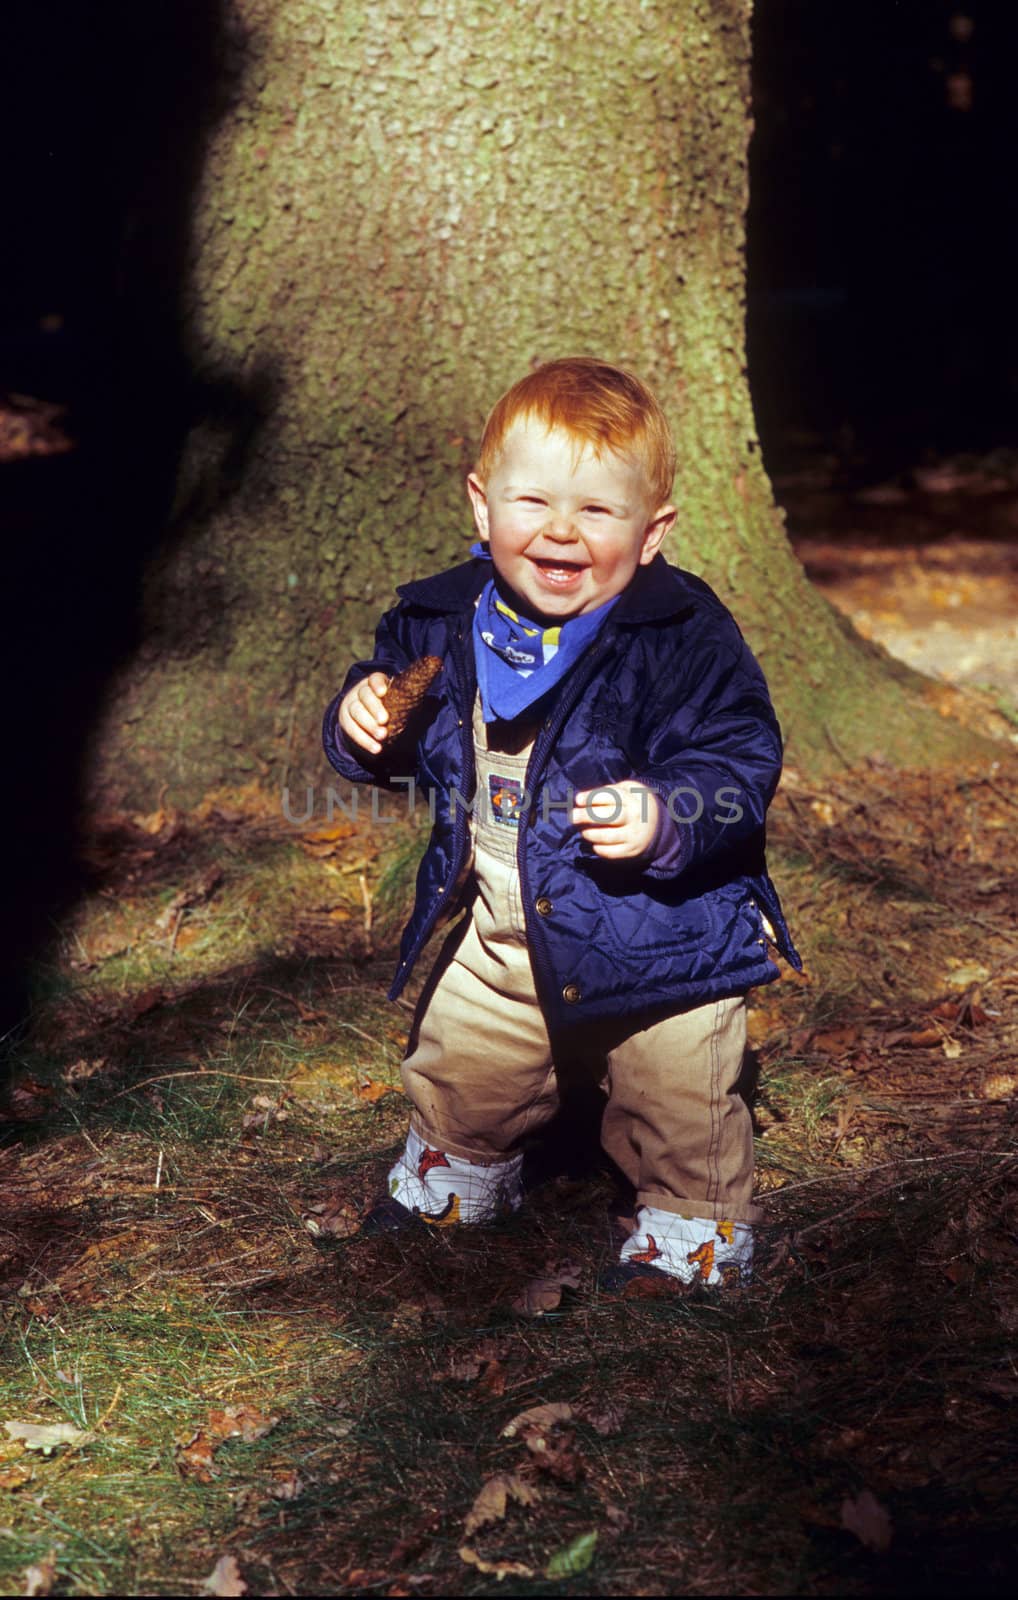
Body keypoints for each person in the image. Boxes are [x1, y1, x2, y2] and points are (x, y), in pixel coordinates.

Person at [322, 357, 800, 1289]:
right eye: (532, 501)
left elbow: (742, 758)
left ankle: (689, 1229)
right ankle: (460, 1169)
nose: (560, 532)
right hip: (505, 912)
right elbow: (397, 723)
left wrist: (668, 810)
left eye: (598, 511)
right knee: (468, 1047)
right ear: (481, 506)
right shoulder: (442, 619)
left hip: (658, 931)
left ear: (653, 532)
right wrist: (363, 719)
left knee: (677, 1086)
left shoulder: (680, 635)